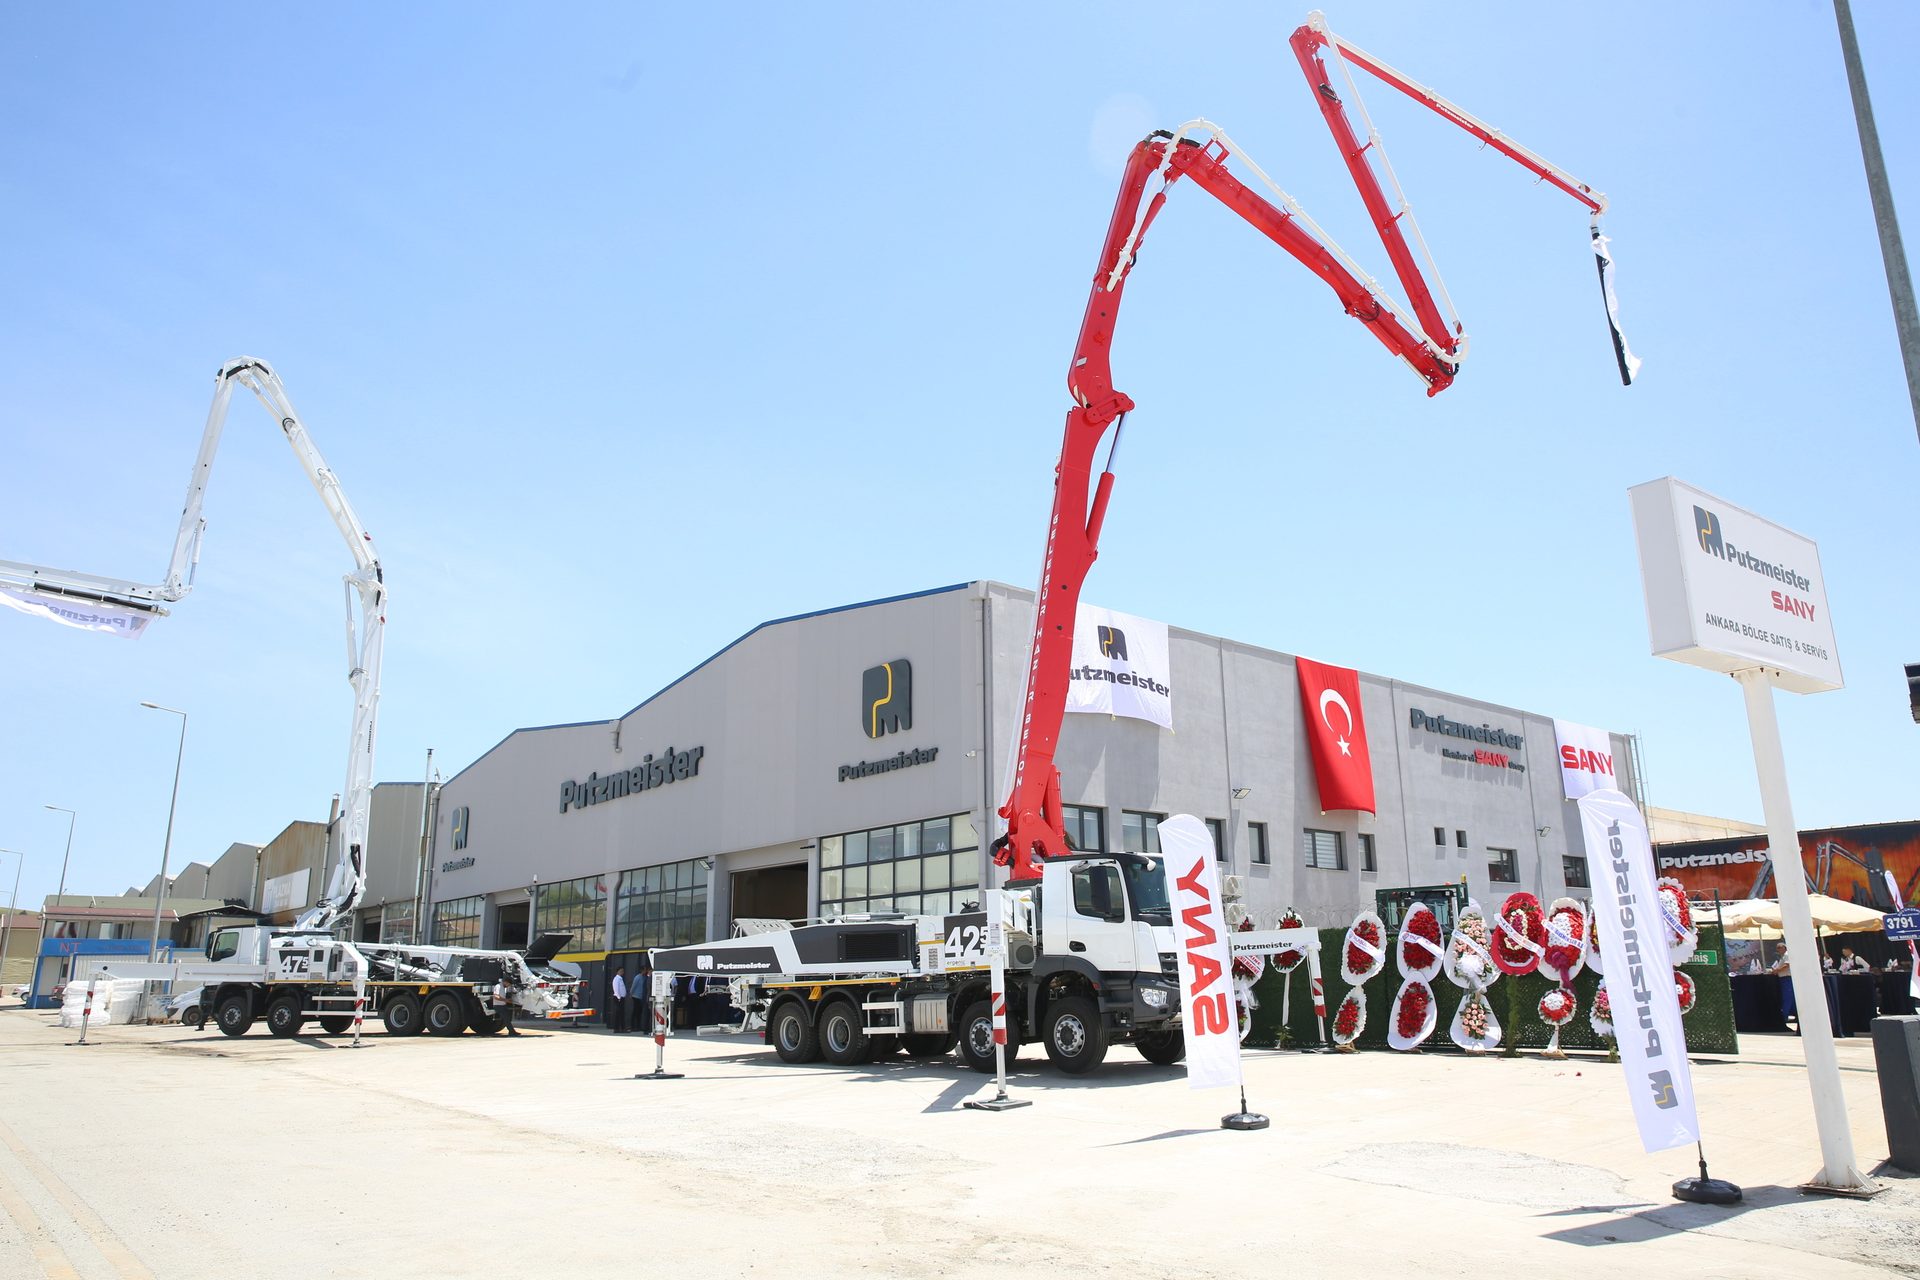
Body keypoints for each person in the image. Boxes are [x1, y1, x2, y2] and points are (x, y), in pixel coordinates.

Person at [1769, 947, 1797, 1023]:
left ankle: (1784, 1016)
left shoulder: (1787, 955)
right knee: (1791, 998)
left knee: (1787, 997)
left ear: (1783, 948)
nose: (1777, 950)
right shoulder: (1783, 956)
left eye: (1779, 948)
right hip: (1783, 978)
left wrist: (1777, 970)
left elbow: (1786, 965)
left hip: (1787, 978)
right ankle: (1796, 1015)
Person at [610, 966, 629, 1033]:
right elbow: (616, 989)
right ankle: (617, 1028)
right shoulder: (616, 979)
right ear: (617, 971)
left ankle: (622, 1028)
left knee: (621, 1014)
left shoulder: (620, 979)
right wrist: (619, 997)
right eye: (621, 971)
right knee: (618, 1014)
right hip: (618, 998)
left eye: (623, 971)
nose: (622, 972)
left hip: (621, 998)